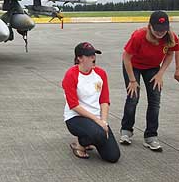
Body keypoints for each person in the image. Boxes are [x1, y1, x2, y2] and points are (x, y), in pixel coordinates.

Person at [120, 10, 178, 152]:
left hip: (153, 68)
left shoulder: (170, 37)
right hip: (133, 66)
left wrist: (160, 73)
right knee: (133, 97)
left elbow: (171, 53)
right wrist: (132, 81)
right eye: (157, 30)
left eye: (164, 30)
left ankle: (151, 136)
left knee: (155, 100)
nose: (160, 33)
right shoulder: (139, 36)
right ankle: (126, 130)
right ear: (150, 26)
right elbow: (126, 57)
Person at [62, 42, 120, 162]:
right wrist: (96, 120)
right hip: (75, 117)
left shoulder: (101, 73)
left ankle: (92, 137)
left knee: (113, 156)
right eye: (89, 56)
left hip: (96, 118)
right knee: (98, 134)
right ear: (79, 58)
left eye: (94, 55)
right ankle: (80, 144)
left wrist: (103, 121)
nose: (93, 58)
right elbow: (74, 105)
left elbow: (104, 100)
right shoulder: (71, 75)